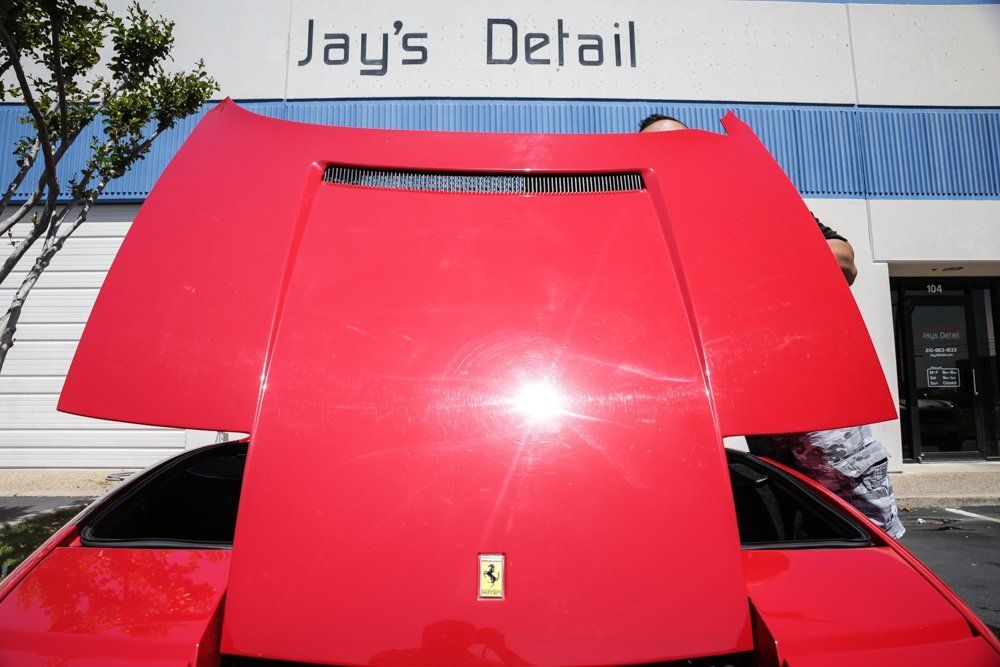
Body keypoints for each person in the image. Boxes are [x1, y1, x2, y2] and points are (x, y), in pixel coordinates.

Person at [639, 113, 905, 539]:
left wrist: (754, 257)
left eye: (680, 144)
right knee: (792, 530)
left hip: (823, 401)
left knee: (868, 535)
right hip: (762, 406)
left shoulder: (753, 198)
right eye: (656, 149)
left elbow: (843, 261)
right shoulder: (651, 221)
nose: (670, 155)